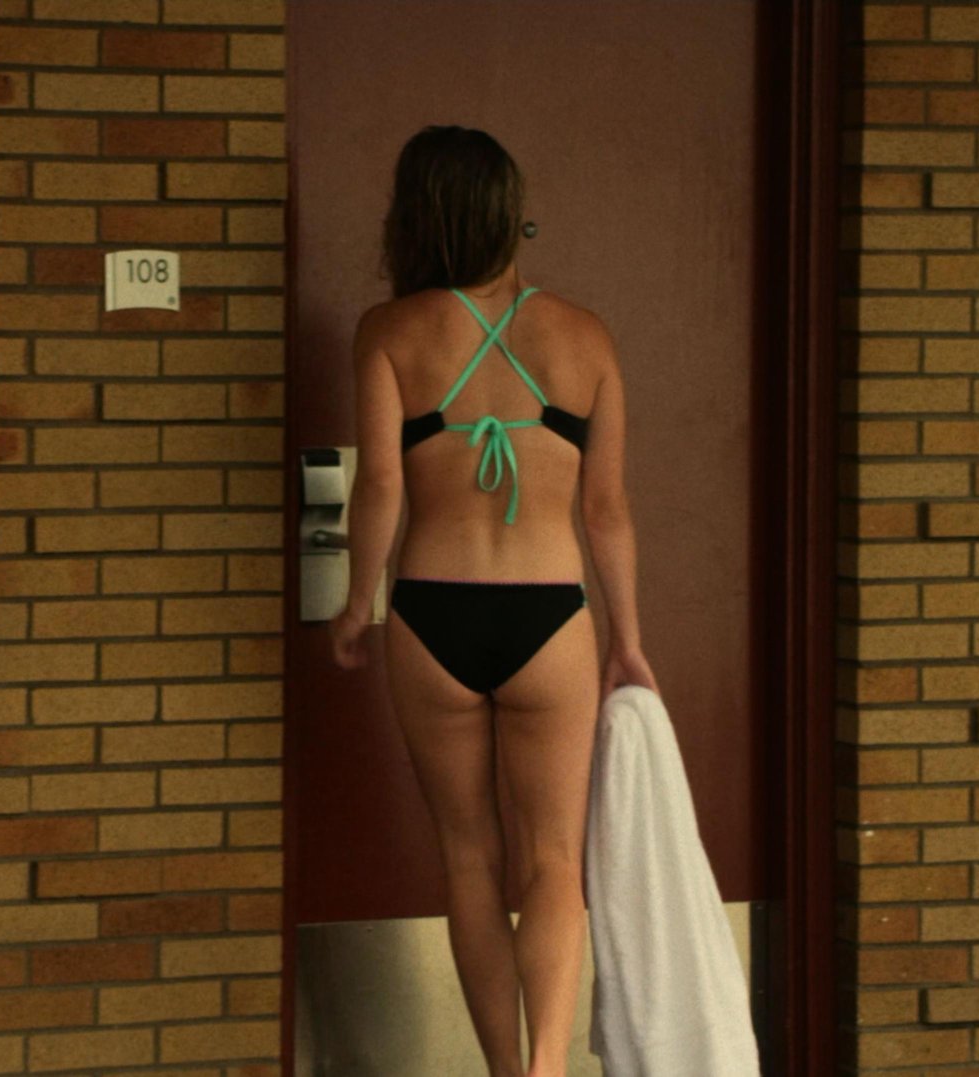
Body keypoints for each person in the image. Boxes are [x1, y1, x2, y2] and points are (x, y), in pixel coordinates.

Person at [327, 125, 658, 1077]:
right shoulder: (585, 337)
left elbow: (379, 486)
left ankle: (507, 1071)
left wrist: (356, 602)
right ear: (511, 216)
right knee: (554, 860)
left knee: (468, 855)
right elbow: (607, 510)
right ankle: (548, 1069)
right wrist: (627, 640)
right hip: (548, 616)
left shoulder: (389, 332)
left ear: (416, 220)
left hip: (431, 615)